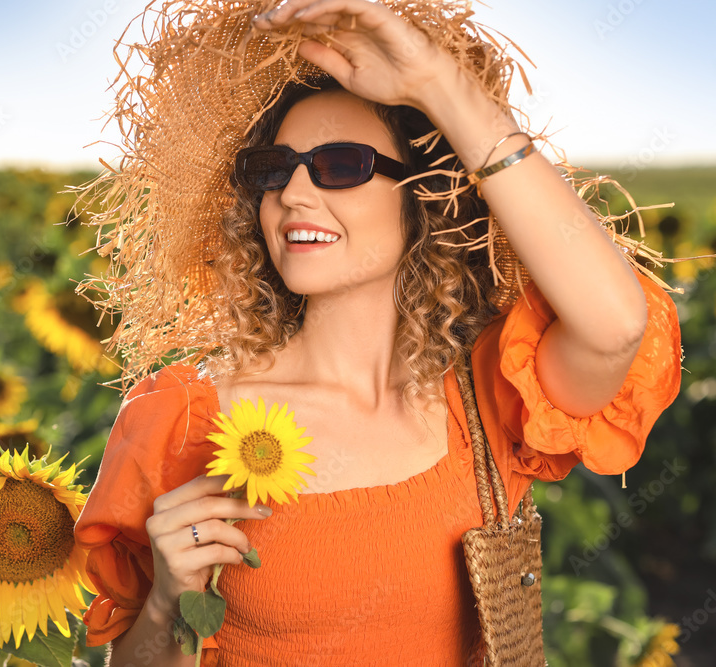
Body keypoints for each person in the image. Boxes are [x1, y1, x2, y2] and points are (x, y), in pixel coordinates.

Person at [71, 0, 685, 664]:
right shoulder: (182, 417)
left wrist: (437, 83)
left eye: (339, 165)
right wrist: (167, 601)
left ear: (421, 198)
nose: (295, 194)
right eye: (274, 170)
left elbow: (617, 326)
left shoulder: (491, 396)